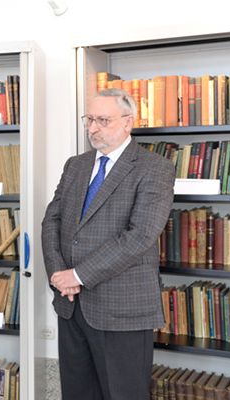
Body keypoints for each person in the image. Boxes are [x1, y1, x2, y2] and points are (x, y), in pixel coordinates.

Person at [41, 88, 175, 399]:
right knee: (77, 393)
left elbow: (140, 235)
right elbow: (52, 222)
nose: (92, 128)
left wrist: (78, 275)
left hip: (122, 310)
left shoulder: (154, 168)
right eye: (89, 120)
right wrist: (60, 276)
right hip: (70, 306)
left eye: (103, 120)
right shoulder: (76, 164)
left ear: (128, 122)